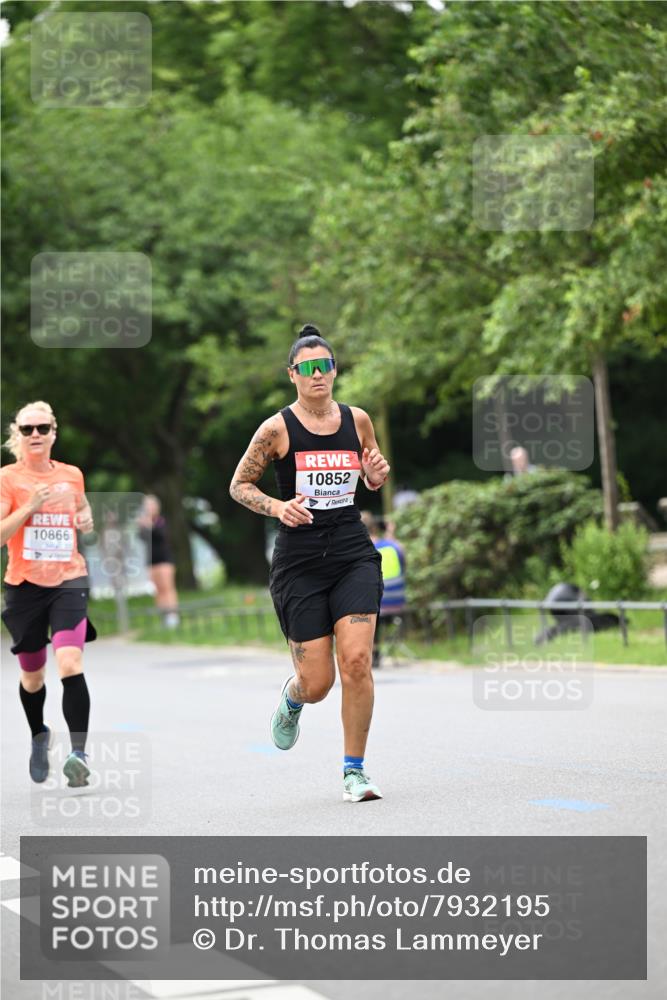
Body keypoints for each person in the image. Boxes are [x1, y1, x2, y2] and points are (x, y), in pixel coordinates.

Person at [230, 324, 390, 802]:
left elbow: (371, 473)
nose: (318, 375)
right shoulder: (276, 429)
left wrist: (376, 478)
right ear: (293, 375)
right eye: (308, 368)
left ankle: (354, 772)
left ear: (335, 370)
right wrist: (279, 508)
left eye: (326, 366)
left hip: (351, 550)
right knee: (319, 682)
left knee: (357, 661)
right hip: (299, 560)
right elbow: (240, 486)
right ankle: (293, 695)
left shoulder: (357, 420)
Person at [0, 401, 96, 787]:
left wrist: (86, 518)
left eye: (42, 428)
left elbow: (83, 511)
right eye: (27, 430)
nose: (35, 435)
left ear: (54, 432)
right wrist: (30, 507)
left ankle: (79, 754)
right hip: (24, 586)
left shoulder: (72, 475)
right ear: (18, 436)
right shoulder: (8, 477)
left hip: (68, 580)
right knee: (33, 677)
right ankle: (40, 735)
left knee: (70, 662)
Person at [137, 494, 180, 628]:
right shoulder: (144, 522)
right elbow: (142, 538)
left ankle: (173, 616)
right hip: (151, 561)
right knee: (158, 590)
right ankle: (163, 617)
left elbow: (161, 536)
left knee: (168, 588)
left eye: (151, 505)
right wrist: (141, 526)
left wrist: (149, 526)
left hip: (164, 560)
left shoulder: (161, 521)